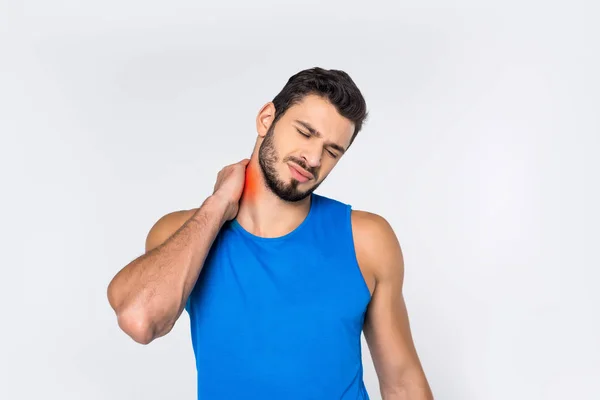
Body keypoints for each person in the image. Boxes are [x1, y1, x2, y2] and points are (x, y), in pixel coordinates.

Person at [107, 67, 433, 399]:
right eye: (305, 132)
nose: (314, 158)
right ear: (266, 119)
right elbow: (139, 318)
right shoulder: (184, 234)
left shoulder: (366, 239)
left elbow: (403, 383)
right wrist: (217, 206)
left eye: (333, 151)